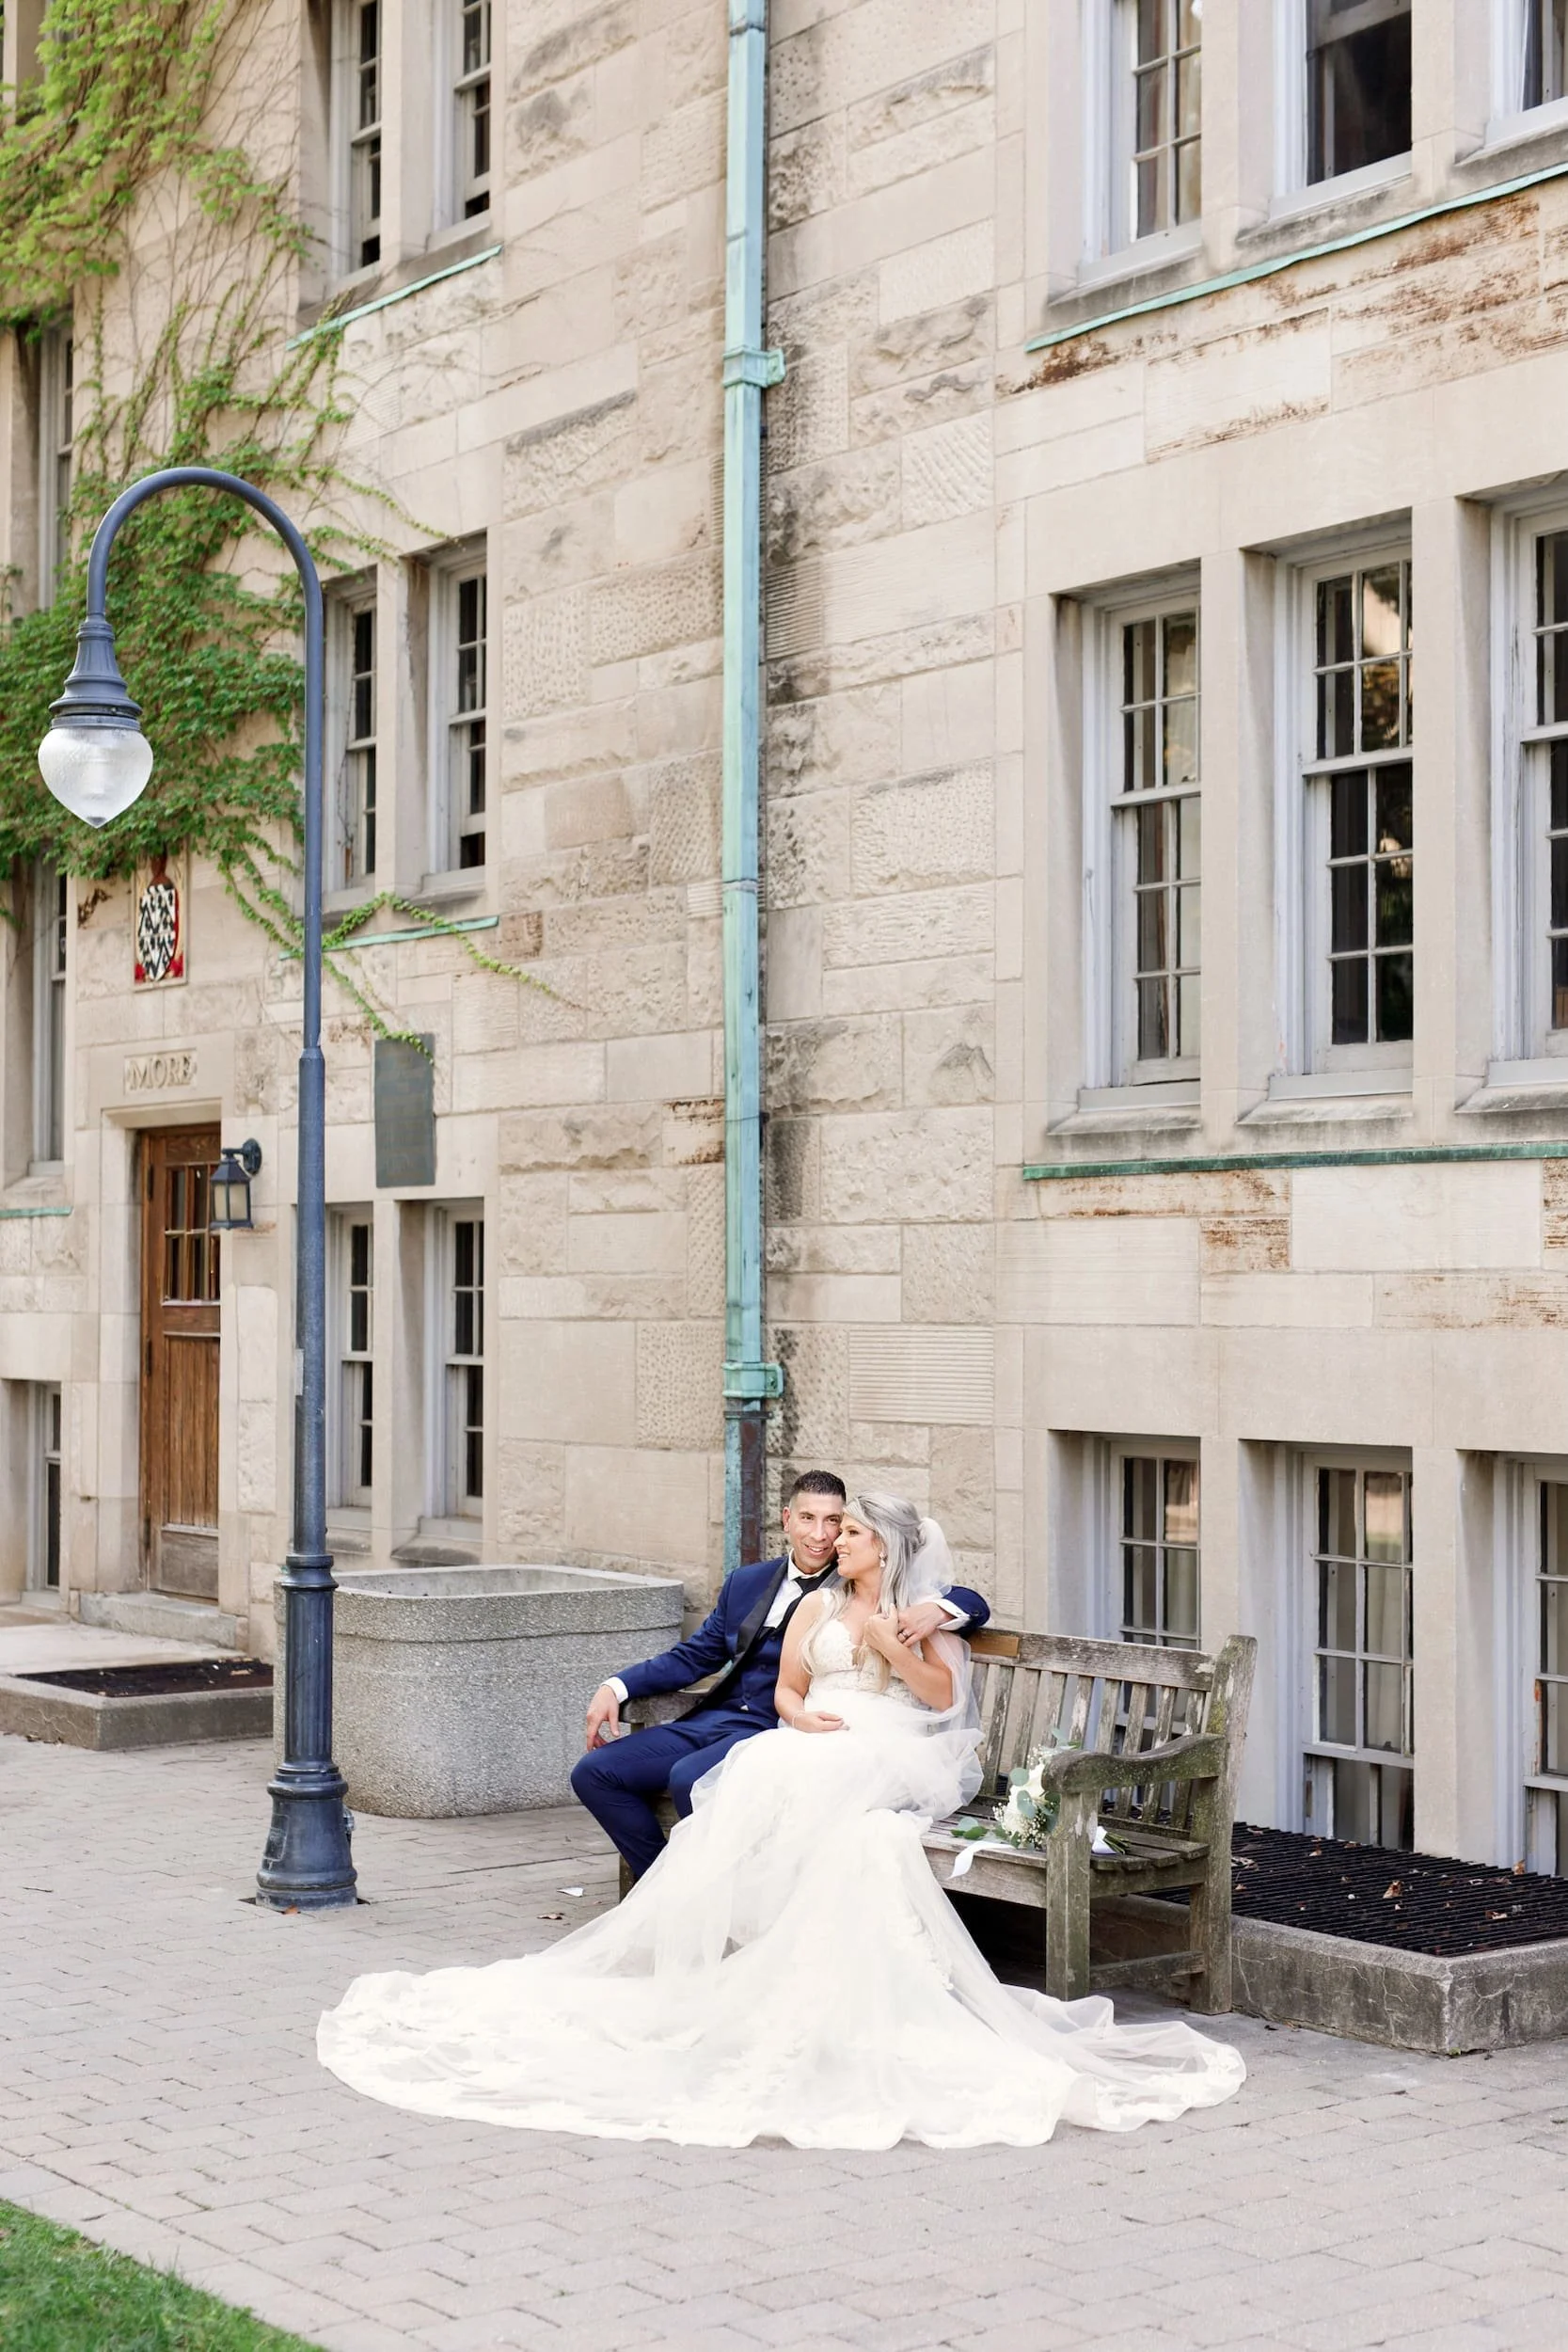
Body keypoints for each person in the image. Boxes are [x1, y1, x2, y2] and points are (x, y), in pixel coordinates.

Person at [318, 1493, 1244, 2151]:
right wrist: (795, 1714)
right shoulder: (801, 1599)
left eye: (846, 1528)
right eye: (823, 1523)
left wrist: (895, 1638)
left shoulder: (925, 1616)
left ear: (881, 1545)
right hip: (815, 1730)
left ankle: (758, 1950)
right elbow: (791, 1686)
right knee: (758, 1766)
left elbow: (937, 1698)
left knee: (806, 1793)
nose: (832, 1537)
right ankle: (731, 1942)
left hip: (892, 1743)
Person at [568, 1468, 991, 1880]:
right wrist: (617, 1685)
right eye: (808, 1519)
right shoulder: (748, 1582)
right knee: (595, 1773)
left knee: (690, 1778)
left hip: (778, 1729)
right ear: (787, 1520)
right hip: (720, 1717)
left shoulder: (856, 1576)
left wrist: (937, 1610)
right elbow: (694, 1657)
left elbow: (967, 1601)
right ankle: (660, 1887)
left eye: (835, 1523)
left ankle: (712, 1895)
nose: (823, 1536)